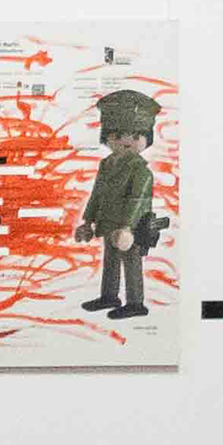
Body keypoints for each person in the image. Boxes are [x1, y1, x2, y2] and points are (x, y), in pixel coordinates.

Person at [77, 89, 161, 322]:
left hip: (131, 227)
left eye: (136, 136)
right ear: (106, 136)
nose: (126, 141)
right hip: (108, 222)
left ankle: (135, 303)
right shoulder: (106, 165)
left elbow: (137, 200)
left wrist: (126, 227)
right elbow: (97, 194)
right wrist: (88, 220)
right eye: (118, 134)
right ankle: (109, 296)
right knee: (110, 260)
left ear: (146, 139)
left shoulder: (141, 171)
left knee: (131, 262)